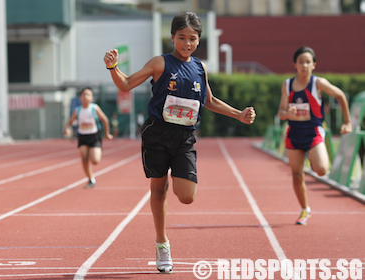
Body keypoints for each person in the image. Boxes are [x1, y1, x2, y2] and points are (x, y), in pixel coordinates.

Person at [104, 11, 256, 274]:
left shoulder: (200, 67)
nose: (187, 43)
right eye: (182, 37)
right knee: (159, 188)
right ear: (172, 37)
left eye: (193, 39)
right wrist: (112, 67)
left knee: (186, 196)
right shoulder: (160, 64)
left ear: (199, 41)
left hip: (184, 137)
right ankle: (162, 244)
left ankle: (179, 173)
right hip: (157, 133)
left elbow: (209, 101)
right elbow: (126, 84)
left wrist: (238, 114)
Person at [278, 46, 352, 225]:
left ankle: (312, 156)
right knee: (296, 175)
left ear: (314, 65)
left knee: (321, 170)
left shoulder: (319, 83)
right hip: (294, 132)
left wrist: (347, 122)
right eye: (300, 62)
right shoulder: (288, 85)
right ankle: (305, 210)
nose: (304, 65)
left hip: (313, 132)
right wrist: (288, 113)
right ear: (295, 65)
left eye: (308, 62)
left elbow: (341, 95)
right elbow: (280, 112)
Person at [64, 87, 113, 188]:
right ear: (80, 97)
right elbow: (70, 122)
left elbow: (105, 120)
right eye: (84, 94)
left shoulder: (94, 108)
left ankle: (97, 151)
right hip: (82, 136)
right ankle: (91, 179)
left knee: (95, 161)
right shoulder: (77, 110)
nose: (86, 97)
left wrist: (107, 134)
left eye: (88, 95)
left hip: (94, 136)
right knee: (84, 158)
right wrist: (67, 128)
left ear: (92, 98)